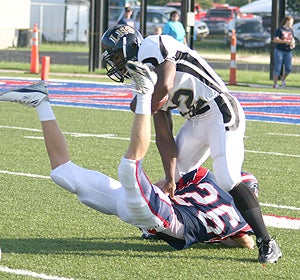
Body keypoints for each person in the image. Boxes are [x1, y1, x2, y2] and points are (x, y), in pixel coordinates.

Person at [0, 80, 258, 253]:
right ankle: (144, 93)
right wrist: (222, 236)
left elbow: (167, 185)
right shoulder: (236, 218)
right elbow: (246, 242)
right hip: (155, 216)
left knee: (63, 173)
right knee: (128, 166)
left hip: (150, 209)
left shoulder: (208, 183)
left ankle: (41, 102)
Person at [100, 24, 282, 263]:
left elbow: (164, 85)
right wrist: (171, 177)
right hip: (195, 120)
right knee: (177, 179)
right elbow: (164, 134)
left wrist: (142, 104)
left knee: (227, 176)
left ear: (129, 44)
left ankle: (267, 242)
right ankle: (192, 222)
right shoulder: (142, 77)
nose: (116, 62)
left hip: (220, 109)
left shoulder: (152, 44)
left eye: (115, 55)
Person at [273, 16, 295, 88]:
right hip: (279, 50)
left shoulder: (291, 30)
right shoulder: (280, 30)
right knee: (278, 68)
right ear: (286, 21)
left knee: (288, 68)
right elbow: (275, 39)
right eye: (290, 22)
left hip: (288, 51)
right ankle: (275, 83)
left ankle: (283, 78)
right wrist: (285, 41)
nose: (291, 23)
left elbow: (292, 39)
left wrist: (292, 43)